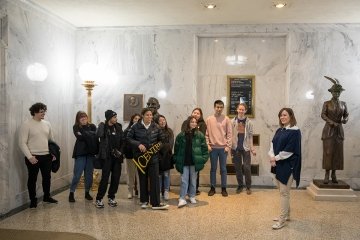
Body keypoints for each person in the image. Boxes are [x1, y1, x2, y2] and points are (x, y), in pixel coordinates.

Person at [127, 108, 169, 210]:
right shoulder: (135, 126)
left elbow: (163, 139)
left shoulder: (156, 126)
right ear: (142, 115)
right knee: (142, 179)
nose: (149, 117)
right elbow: (128, 138)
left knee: (155, 179)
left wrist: (156, 148)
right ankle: (144, 201)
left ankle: (155, 203)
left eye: (151, 115)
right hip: (141, 158)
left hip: (153, 157)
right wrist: (138, 144)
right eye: (147, 115)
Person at [19, 102, 58, 208]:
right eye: (41, 111)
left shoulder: (47, 124)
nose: (43, 113)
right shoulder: (26, 124)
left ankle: (46, 196)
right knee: (32, 179)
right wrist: (30, 157)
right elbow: (22, 142)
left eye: (44, 111)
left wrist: (53, 153)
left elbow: (51, 140)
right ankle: (33, 200)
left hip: (46, 156)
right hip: (33, 156)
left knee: (47, 177)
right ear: (34, 112)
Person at [268, 108, 301, 230]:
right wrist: (271, 156)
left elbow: (289, 151)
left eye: (285, 115)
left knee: (284, 193)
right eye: (281, 115)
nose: (282, 117)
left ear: (291, 116)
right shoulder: (279, 130)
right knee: (283, 192)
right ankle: (286, 214)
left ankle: (282, 220)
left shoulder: (295, 132)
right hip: (278, 164)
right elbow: (272, 144)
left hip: (288, 166)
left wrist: (275, 158)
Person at [174, 116, 209, 208]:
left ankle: (192, 196)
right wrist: (176, 159)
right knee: (184, 180)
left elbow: (205, 149)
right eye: (192, 122)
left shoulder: (200, 135)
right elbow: (176, 149)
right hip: (184, 162)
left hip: (194, 162)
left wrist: (203, 159)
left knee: (193, 180)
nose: (194, 123)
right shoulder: (181, 135)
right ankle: (182, 198)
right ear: (188, 123)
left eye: (195, 122)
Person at [95, 110, 124, 208]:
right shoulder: (103, 127)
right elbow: (98, 135)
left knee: (116, 178)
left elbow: (123, 141)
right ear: (109, 118)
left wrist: (120, 152)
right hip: (107, 157)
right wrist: (102, 125)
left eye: (116, 117)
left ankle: (111, 197)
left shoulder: (118, 127)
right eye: (114, 117)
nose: (116, 119)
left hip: (117, 158)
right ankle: (99, 199)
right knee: (105, 178)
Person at [321, 79, 348, 184]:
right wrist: (331, 122)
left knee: (337, 153)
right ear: (331, 92)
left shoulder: (343, 104)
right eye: (335, 92)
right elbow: (323, 114)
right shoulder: (326, 103)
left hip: (339, 131)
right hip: (329, 130)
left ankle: (334, 173)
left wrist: (345, 119)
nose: (336, 93)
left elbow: (346, 114)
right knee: (328, 152)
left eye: (338, 92)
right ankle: (327, 173)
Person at [69, 111, 97, 202]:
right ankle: (71, 192)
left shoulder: (92, 126)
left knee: (89, 175)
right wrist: (90, 134)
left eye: (85, 116)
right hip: (80, 153)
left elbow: (95, 137)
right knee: (77, 174)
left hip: (90, 153)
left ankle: (87, 193)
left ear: (87, 117)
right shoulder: (76, 127)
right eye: (81, 117)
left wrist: (84, 134)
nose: (83, 118)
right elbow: (79, 137)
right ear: (78, 119)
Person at [206, 100, 232, 197]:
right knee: (213, 169)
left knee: (223, 169)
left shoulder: (226, 119)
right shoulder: (209, 119)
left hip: (223, 149)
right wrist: (208, 145)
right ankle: (212, 188)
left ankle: (224, 188)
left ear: (223, 108)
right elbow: (206, 134)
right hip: (212, 148)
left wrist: (228, 146)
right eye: (217, 107)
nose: (219, 109)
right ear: (214, 107)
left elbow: (229, 134)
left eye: (221, 107)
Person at [231, 103, 256, 195]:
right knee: (237, 168)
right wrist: (230, 147)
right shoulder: (232, 121)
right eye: (239, 109)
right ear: (237, 110)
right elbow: (230, 135)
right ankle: (240, 185)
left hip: (246, 148)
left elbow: (250, 136)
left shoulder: (249, 122)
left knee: (247, 167)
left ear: (245, 111)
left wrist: (252, 148)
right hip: (235, 147)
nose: (241, 111)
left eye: (243, 109)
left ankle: (248, 186)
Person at [181, 107, 207, 195]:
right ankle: (186, 190)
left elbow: (201, 136)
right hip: (187, 151)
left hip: (197, 151)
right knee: (185, 174)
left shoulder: (203, 124)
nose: (195, 114)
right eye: (194, 112)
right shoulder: (185, 122)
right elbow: (183, 133)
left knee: (195, 172)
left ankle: (194, 189)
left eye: (198, 113)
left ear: (200, 115)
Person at [156, 115, 174, 200]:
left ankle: (166, 191)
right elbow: (155, 145)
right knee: (159, 176)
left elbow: (170, 145)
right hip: (158, 156)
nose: (162, 122)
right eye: (160, 120)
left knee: (166, 175)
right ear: (157, 122)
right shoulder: (155, 131)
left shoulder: (169, 131)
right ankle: (159, 192)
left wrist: (162, 147)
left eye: (164, 120)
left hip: (167, 156)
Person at [123, 113, 141, 199]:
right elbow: (124, 143)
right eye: (135, 118)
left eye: (138, 118)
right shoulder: (127, 131)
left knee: (140, 175)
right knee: (130, 175)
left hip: (140, 157)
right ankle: (130, 191)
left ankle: (140, 192)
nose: (137, 120)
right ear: (132, 120)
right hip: (130, 156)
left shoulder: (142, 131)